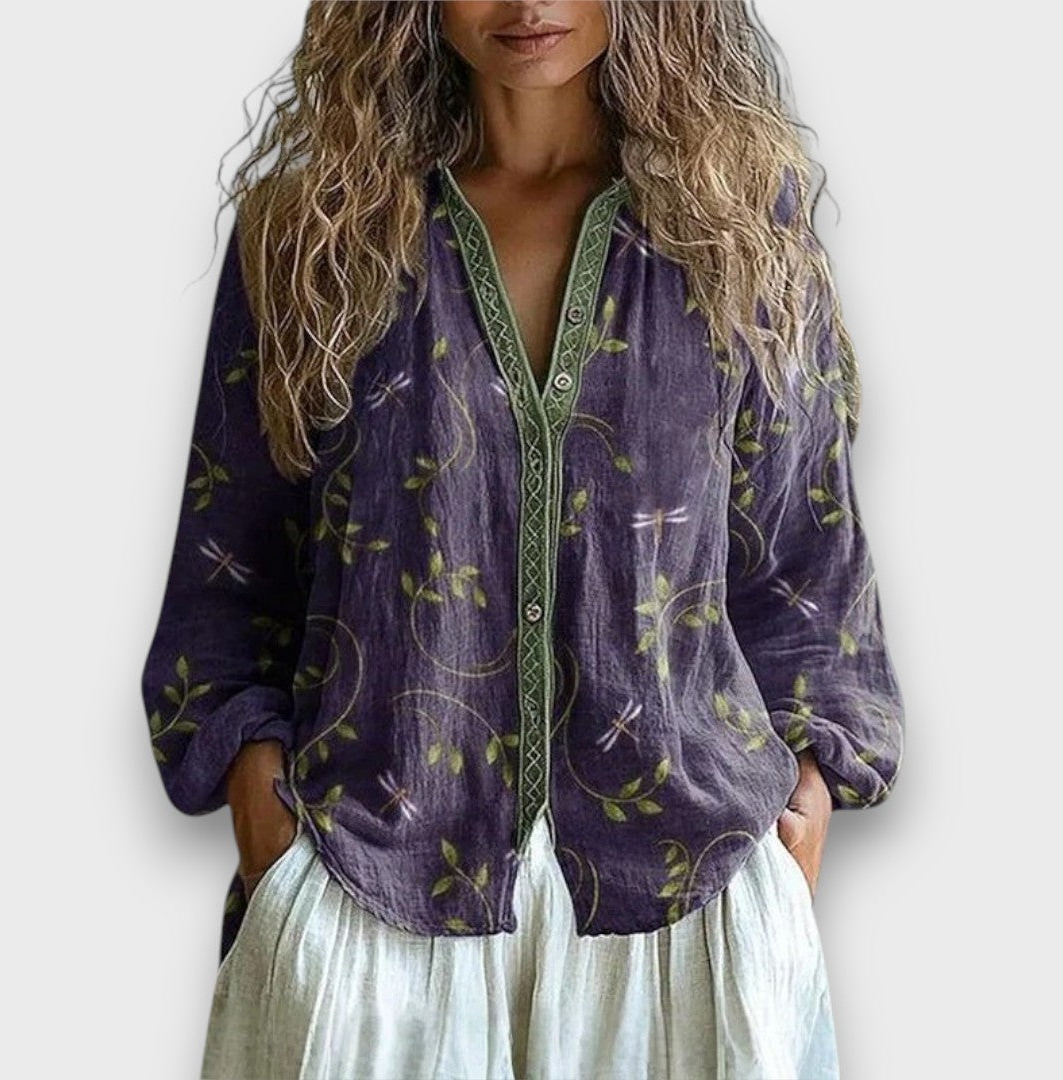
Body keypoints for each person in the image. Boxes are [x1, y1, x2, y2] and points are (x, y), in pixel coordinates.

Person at [140, 2, 905, 1077]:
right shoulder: (314, 231)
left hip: (685, 903)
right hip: (375, 885)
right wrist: (262, 809)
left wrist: (806, 804)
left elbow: (806, 560)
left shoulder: (739, 225)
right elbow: (230, 557)